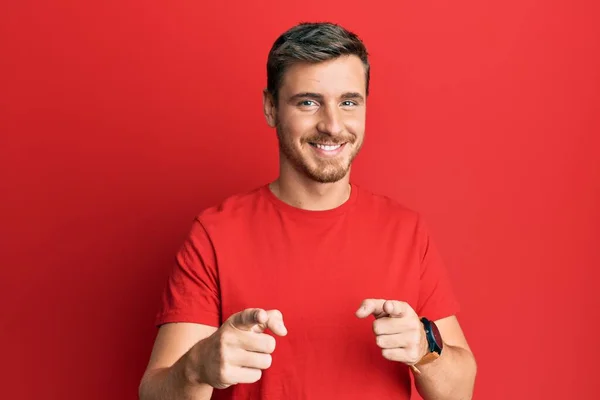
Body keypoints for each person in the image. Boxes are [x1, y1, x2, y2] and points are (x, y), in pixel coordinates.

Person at [138, 22, 477, 400]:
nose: (332, 125)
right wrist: (197, 367)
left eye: (348, 102)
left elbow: (459, 391)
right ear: (270, 107)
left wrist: (424, 350)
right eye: (308, 102)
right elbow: (154, 392)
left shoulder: (406, 230)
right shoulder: (215, 233)